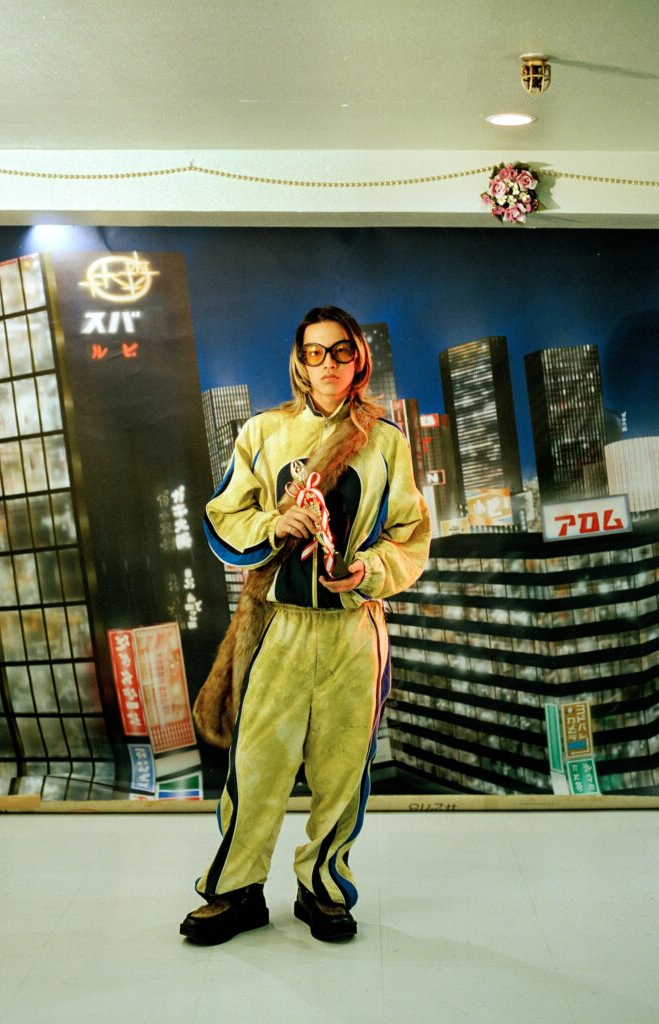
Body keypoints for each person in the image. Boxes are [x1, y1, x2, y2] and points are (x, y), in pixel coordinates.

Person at [180, 305, 431, 945]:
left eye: (340, 350)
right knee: (257, 765)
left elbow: (411, 536)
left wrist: (368, 571)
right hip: (279, 626)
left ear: (358, 358)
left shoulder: (386, 441)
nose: (328, 364)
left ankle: (323, 888)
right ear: (300, 361)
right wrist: (274, 525)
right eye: (314, 352)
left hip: (353, 630)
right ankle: (237, 891)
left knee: (343, 769)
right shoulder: (264, 433)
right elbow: (224, 514)